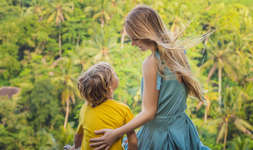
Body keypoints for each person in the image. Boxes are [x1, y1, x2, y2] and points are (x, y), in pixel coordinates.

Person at [89, 5, 211, 150]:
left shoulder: (151, 63)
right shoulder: (178, 52)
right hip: (182, 130)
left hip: (161, 137)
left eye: (136, 39)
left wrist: (115, 133)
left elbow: (149, 113)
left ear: (146, 33)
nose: (133, 44)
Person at [69, 62, 138, 150]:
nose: (117, 76)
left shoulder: (85, 108)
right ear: (109, 87)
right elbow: (133, 141)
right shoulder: (123, 109)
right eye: (115, 74)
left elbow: (79, 137)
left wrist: (74, 147)